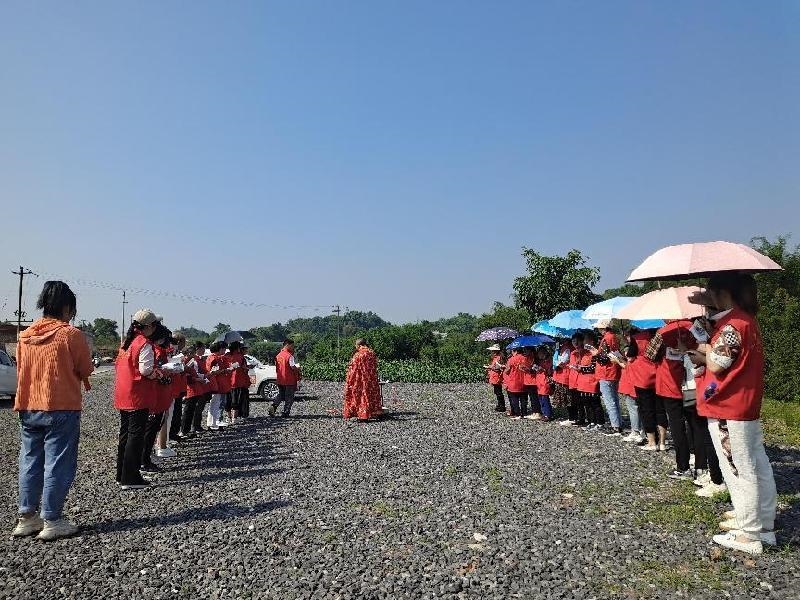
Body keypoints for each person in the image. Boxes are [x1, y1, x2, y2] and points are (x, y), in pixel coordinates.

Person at [688, 273, 777, 555]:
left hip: (728, 406)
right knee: (757, 465)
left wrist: (701, 353)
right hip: (744, 405)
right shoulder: (746, 320)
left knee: (739, 469)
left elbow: (717, 364)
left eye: (710, 292)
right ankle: (764, 525)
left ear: (722, 293)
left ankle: (748, 533)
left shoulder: (732, 325)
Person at [12, 281, 93, 541]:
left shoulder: (25, 335)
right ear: (67, 307)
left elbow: (21, 368)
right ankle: (52, 519)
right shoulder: (70, 334)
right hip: (61, 406)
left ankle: (27, 517)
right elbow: (86, 368)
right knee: (58, 463)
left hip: (28, 405)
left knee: (30, 460)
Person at [114, 309, 162, 490]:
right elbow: (145, 370)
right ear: (149, 326)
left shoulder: (126, 343)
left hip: (123, 393)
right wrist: (157, 373)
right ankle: (131, 477)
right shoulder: (144, 343)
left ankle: (121, 474)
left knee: (125, 435)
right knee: (136, 436)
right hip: (137, 395)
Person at [647, 319, 698, 479]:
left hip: (669, 383)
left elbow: (650, 355)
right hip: (691, 382)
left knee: (677, 426)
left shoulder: (663, 332)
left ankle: (683, 466)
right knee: (694, 423)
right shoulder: (694, 327)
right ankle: (699, 461)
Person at [630, 328, 666, 451]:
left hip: (642, 376)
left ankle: (652, 442)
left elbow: (631, 355)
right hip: (659, 373)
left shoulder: (638, 338)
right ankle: (662, 442)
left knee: (646, 409)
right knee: (660, 409)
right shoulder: (661, 335)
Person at [592, 320, 624, 435]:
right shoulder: (614, 337)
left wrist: (596, 353)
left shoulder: (606, 339)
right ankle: (618, 423)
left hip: (606, 372)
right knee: (615, 399)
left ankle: (615, 426)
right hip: (614, 371)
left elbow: (604, 358)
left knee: (610, 401)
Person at [342, 339, 382, 420]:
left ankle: (363, 415)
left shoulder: (358, 355)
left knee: (360, 396)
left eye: (356, 346)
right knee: (372, 395)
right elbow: (375, 366)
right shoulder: (372, 353)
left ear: (359, 345)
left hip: (360, 380)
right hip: (371, 379)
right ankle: (374, 412)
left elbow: (353, 369)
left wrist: (349, 380)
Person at [619, 329, 644, 444]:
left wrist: (618, 360)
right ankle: (641, 430)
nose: (626, 338)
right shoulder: (642, 347)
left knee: (633, 407)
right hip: (638, 379)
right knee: (638, 407)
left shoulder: (634, 348)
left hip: (632, 380)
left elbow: (628, 363)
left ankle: (635, 431)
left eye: (628, 336)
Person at [576, 331, 605, 432]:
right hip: (583, 382)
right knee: (587, 403)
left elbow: (593, 367)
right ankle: (591, 421)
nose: (583, 342)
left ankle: (600, 423)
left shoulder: (595, 352)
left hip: (592, 381)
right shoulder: (584, 352)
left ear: (591, 341)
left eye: (585, 340)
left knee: (595, 403)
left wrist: (581, 368)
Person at [270, 339, 301, 417]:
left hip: (280, 379)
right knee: (289, 397)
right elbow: (293, 367)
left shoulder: (278, 355)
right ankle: (285, 412)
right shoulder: (289, 356)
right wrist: (298, 369)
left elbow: (277, 367)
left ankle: (273, 406)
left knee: (281, 395)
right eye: (292, 345)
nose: (293, 347)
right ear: (287, 345)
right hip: (289, 380)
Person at [206, 341, 231, 429]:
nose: (224, 350)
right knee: (216, 404)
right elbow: (213, 372)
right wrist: (225, 370)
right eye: (224, 349)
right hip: (216, 383)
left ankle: (212, 422)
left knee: (215, 404)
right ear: (220, 349)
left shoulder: (212, 357)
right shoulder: (214, 358)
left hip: (216, 382)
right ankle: (214, 422)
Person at [551, 337, 574, 424]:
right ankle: (571, 417)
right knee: (567, 398)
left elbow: (562, 362)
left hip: (564, 375)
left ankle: (572, 417)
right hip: (562, 375)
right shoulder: (563, 347)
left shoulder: (567, 347)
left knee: (568, 398)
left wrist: (556, 362)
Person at [227, 341, 251, 424]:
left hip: (228, 381)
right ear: (238, 348)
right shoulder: (240, 357)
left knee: (229, 400)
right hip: (239, 381)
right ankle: (236, 417)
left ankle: (229, 417)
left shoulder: (227, 355)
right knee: (237, 400)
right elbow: (242, 368)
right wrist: (247, 368)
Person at [504, 347, 530, 420]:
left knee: (514, 399)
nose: (511, 353)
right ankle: (524, 413)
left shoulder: (511, 359)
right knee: (524, 399)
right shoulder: (525, 358)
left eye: (512, 351)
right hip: (524, 381)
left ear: (515, 351)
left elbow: (507, 370)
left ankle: (517, 414)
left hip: (514, 382)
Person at [483, 345, 506, 412]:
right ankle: (500, 405)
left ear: (495, 351)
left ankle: (502, 406)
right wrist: (490, 367)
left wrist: (489, 367)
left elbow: (497, 368)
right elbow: (495, 367)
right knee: (497, 392)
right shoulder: (496, 358)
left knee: (498, 392)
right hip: (495, 377)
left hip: (497, 377)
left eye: (493, 351)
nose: (492, 352)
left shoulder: (498, 358)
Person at [534, 346, 554, 421]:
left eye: (539, 353)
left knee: (545, 398)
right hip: (539, 382)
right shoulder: (540, 361)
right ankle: (545, 413)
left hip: (545, 382)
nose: (538, 355)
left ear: (544, 353)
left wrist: (543, 369)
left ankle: (548, 415)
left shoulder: (549, 360)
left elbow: (550, 371)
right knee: (541, 398)